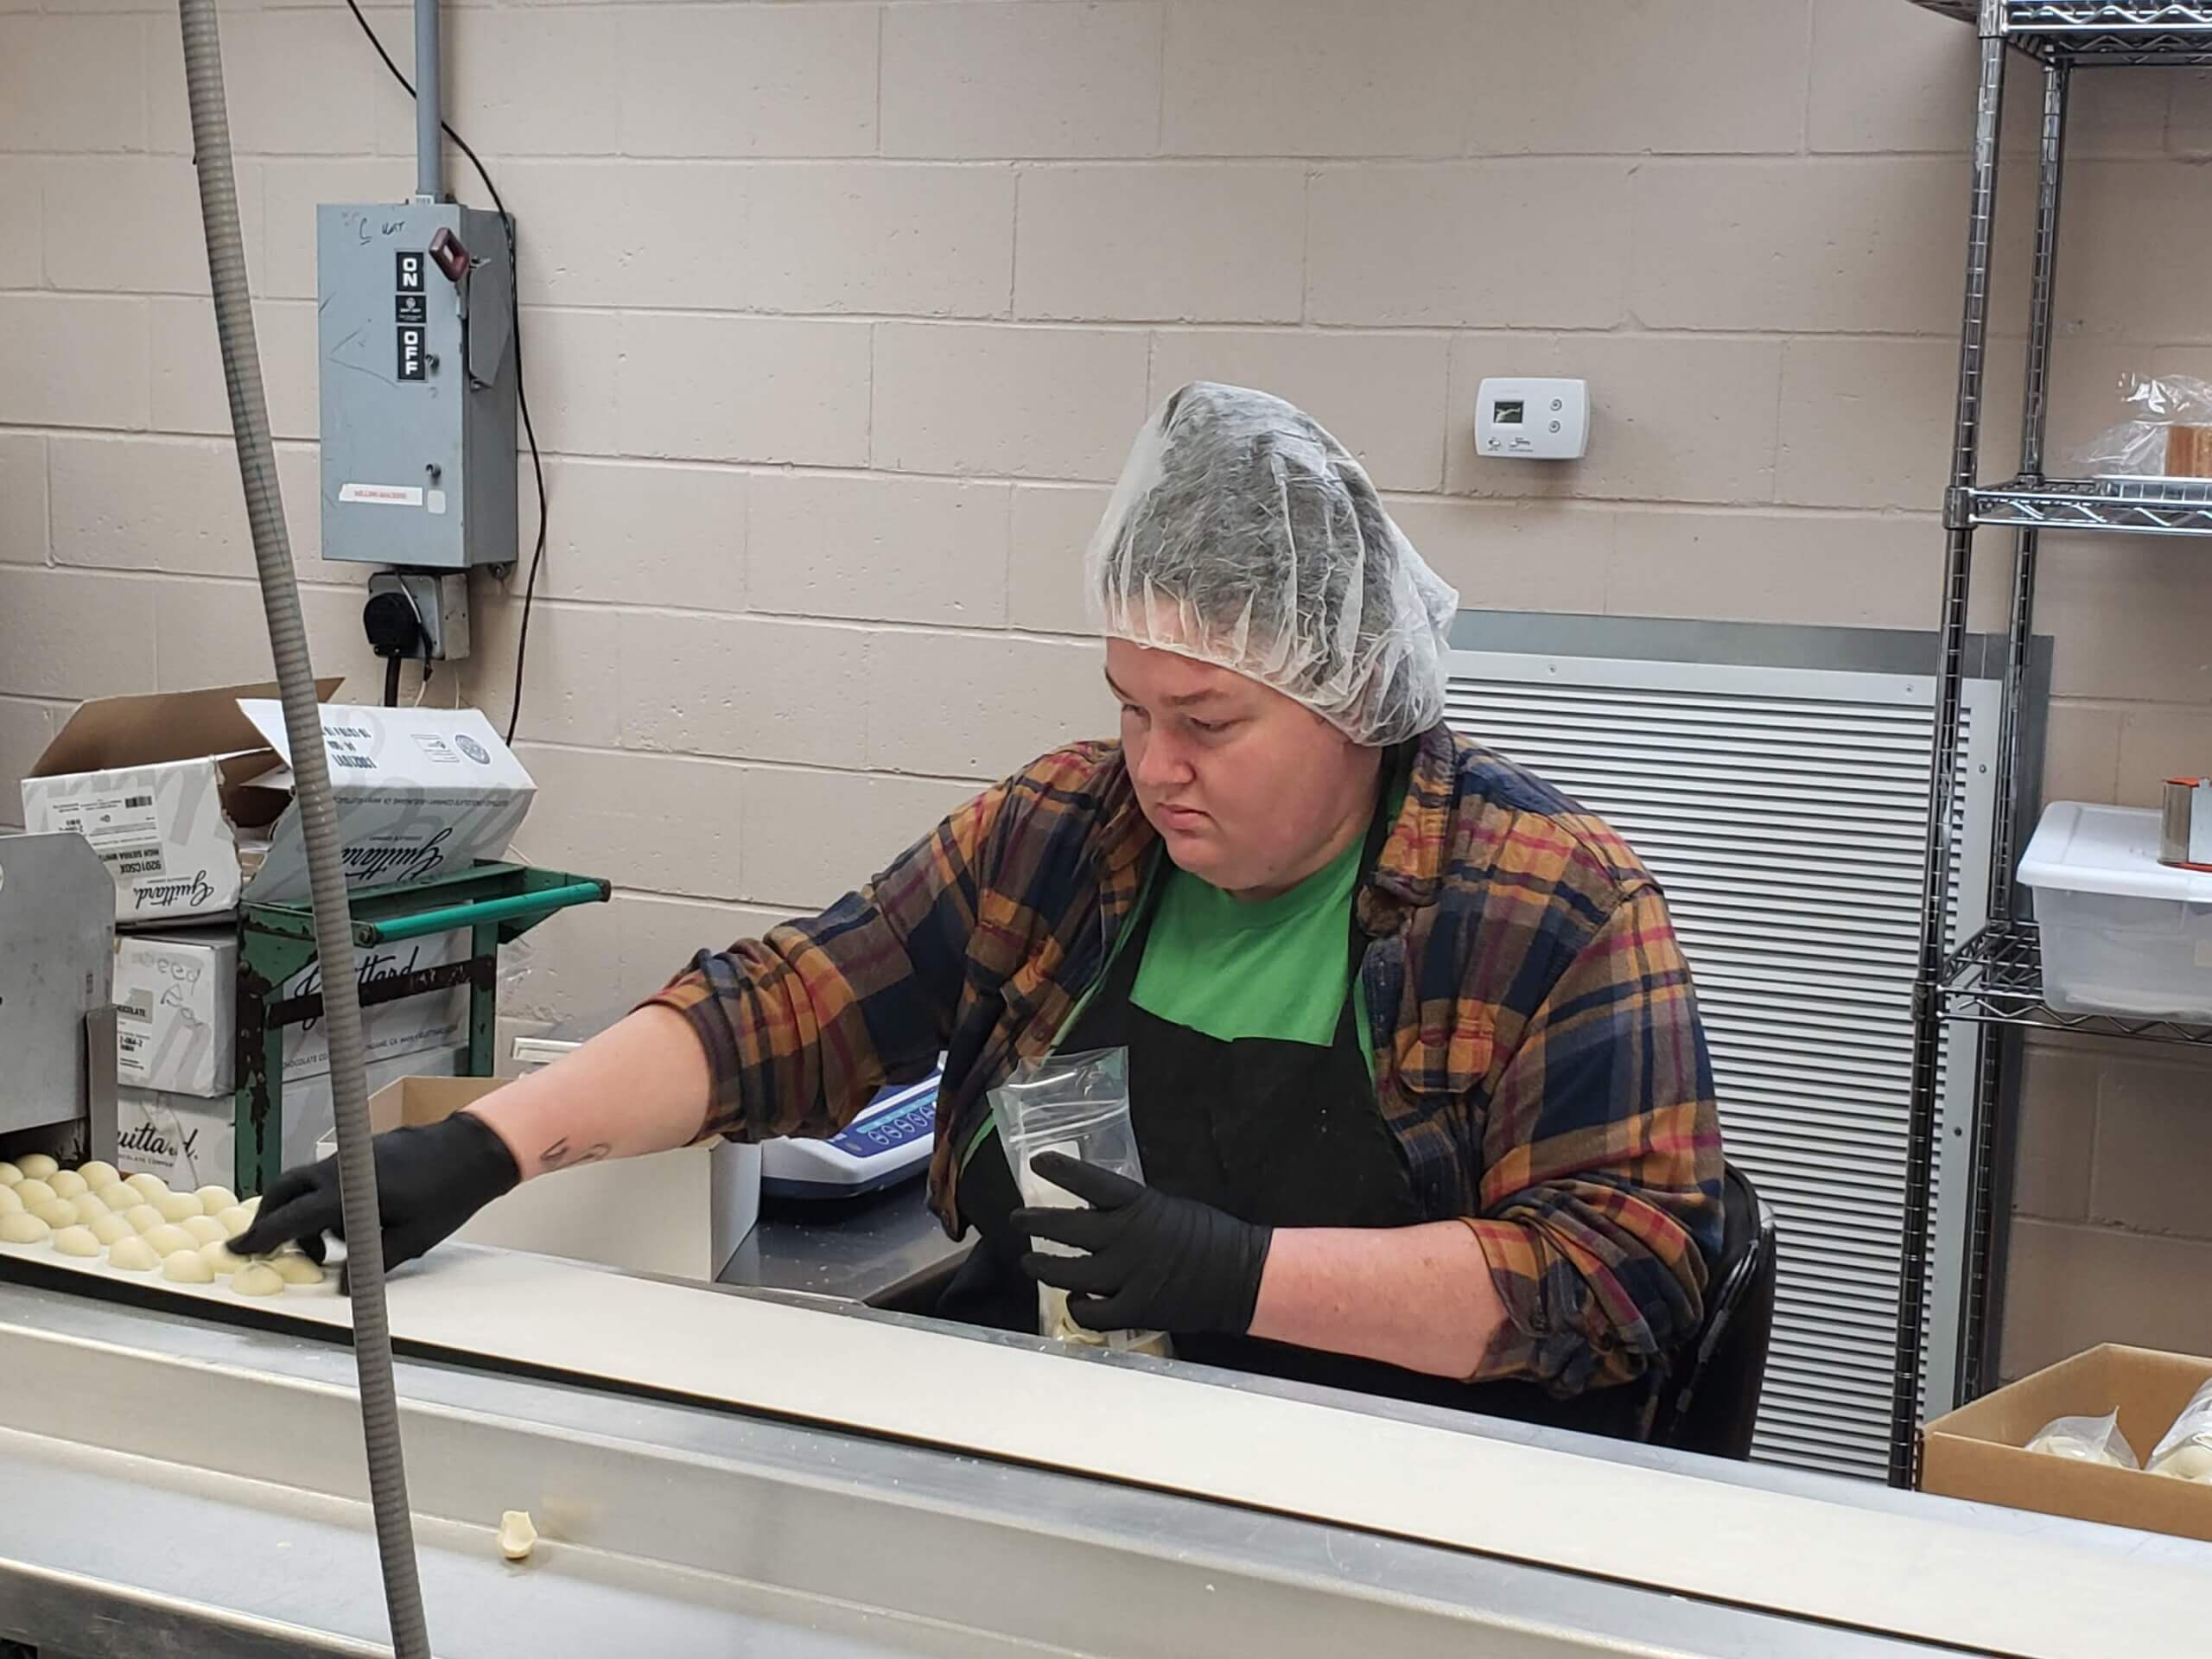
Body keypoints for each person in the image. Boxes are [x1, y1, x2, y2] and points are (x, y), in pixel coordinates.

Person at [236, 383, 1724, 1433]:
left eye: (1207, 722)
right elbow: (788, 1008)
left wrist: (1240, 1276)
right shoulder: (1066, 837)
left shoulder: (1547, 907)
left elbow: (1627, 1274)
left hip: (1402, 1493)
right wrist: (490, 1147)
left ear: (1355, 701)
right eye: (1131, 708)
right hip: (1067, 1432)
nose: (1157, 768)